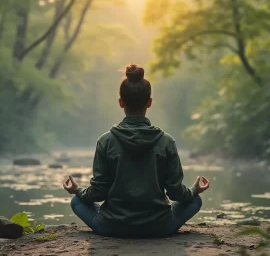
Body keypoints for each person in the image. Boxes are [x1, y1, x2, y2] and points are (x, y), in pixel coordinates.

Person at [63, 64, 210, 238]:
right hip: (160, 227)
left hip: (113, 227)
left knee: (76, 202)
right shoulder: (166, 142)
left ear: (120, 102)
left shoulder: (105, 141)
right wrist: (195, 190)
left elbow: (98, 193)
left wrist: (77, 190)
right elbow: (176, 193)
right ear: (149, 102)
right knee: (195, 201)